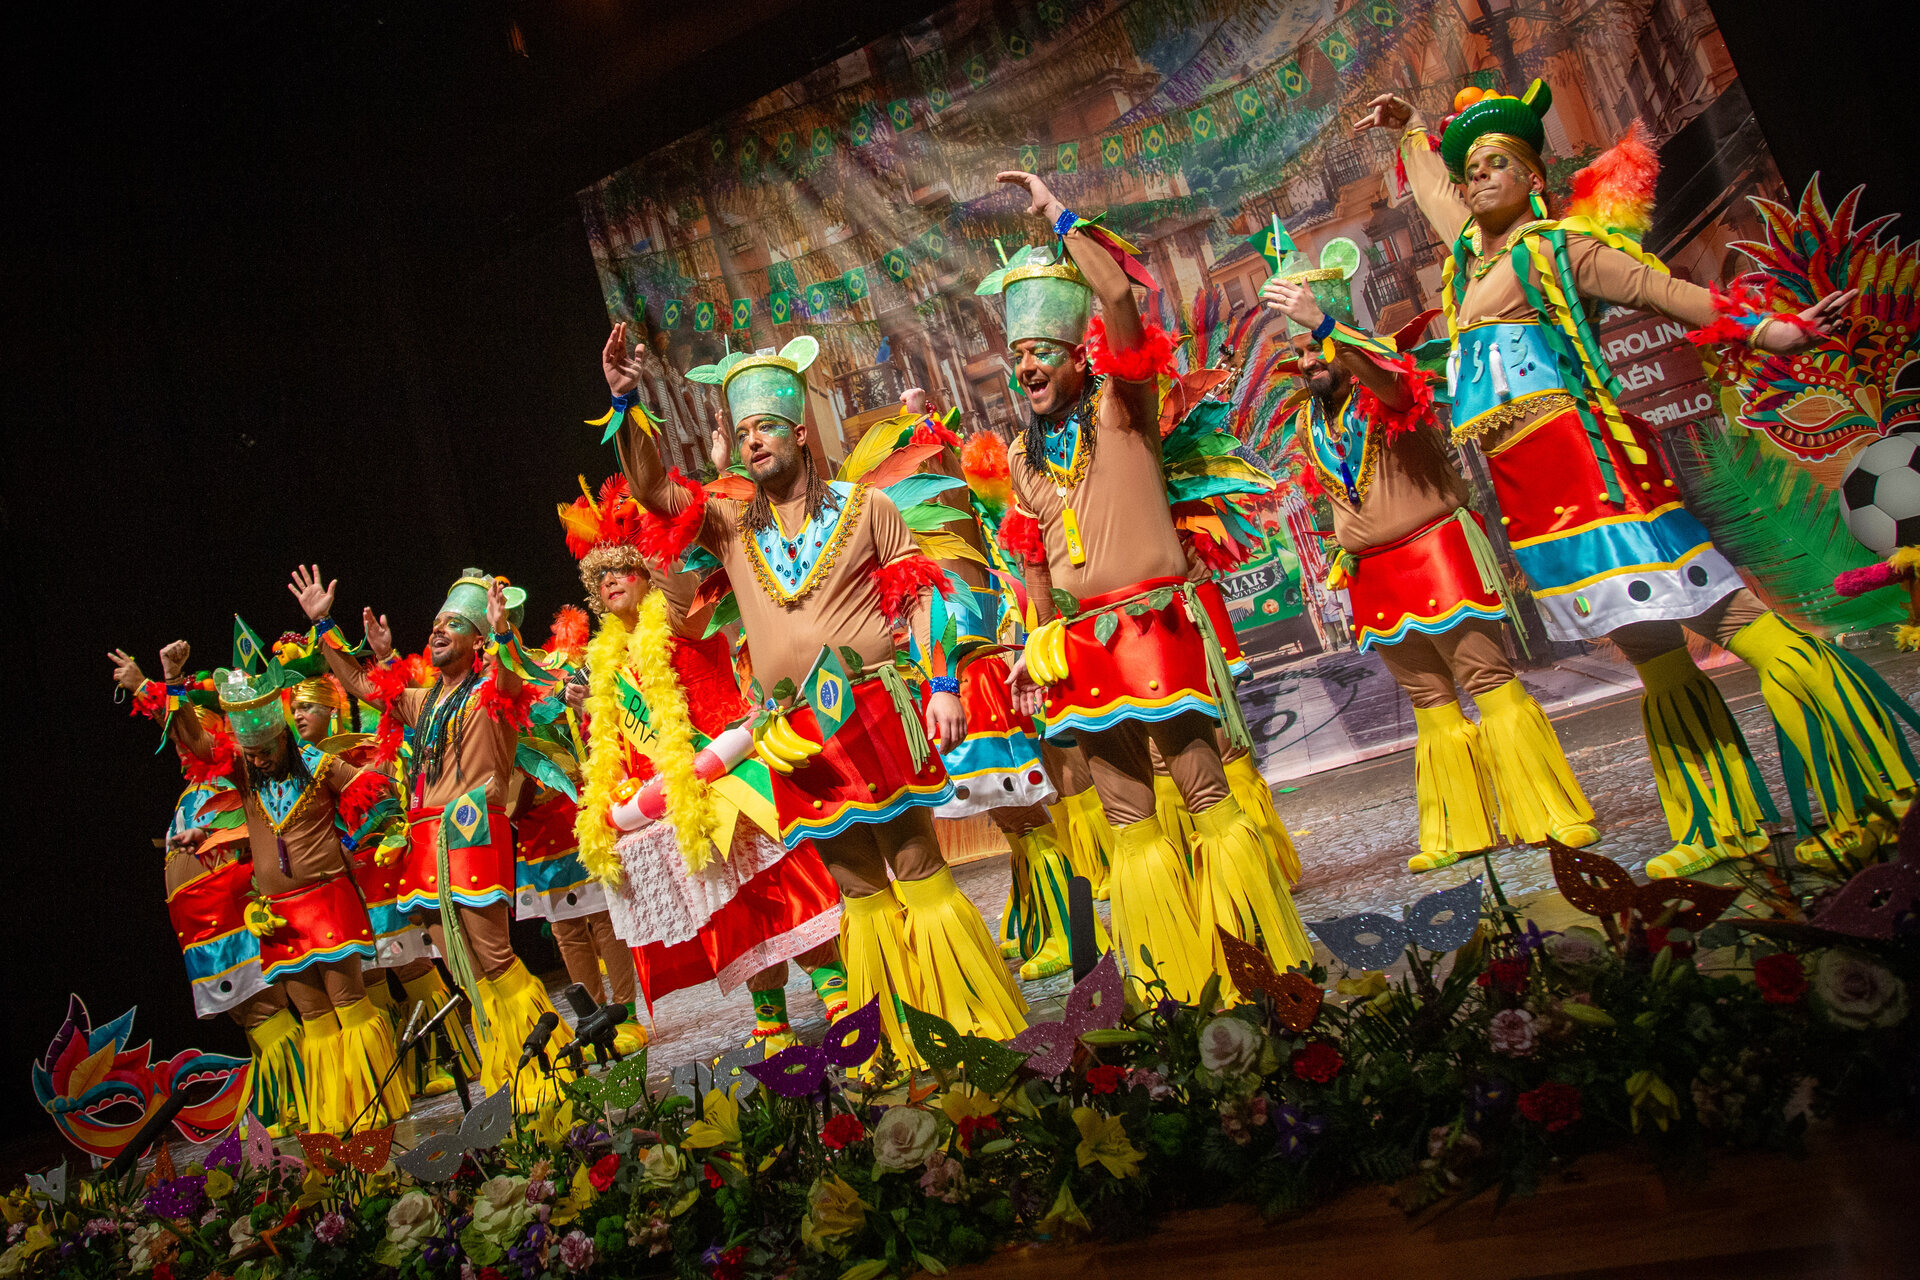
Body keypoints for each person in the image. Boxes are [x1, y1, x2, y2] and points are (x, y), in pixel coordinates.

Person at [1357, 83, 1917, 876]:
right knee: (1651, 652)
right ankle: (1717, 824)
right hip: (1531, 493)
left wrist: (1767, 329)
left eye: (1494, 165)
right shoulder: (1470, 264)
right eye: (1469, 168)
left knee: (1731, 619)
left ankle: (1879, 789)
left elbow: (1660, 289)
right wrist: (1412, 132)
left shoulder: (1557, 250)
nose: (1476, 178)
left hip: (1589, 468)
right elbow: (1436, 198)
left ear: (1532, 178)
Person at [600, 320, 1025, 1063]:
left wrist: (942, 685)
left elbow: (918, 599)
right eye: (743, 432)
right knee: (856, 888)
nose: (753, 442)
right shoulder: (730, 526)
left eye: (766, 427)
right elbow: (653, 490)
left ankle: (971, 1024)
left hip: (872, 709)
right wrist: (626, 403)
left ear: (800, 433)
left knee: (916, 864)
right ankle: (899, 1043)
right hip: (796, 732)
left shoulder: (867, 509)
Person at [985, 170, 1313, 999]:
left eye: (1040, 352)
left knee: (1203, 792)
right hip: (1079, 645)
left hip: (1154, 625)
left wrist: (1058, 217)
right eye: (1016, 356)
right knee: (1128, 818)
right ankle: (1176, 979)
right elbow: (1032, 558)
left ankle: (1260, 964)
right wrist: (1033, 641)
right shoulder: (1022, 456)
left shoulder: (1122, 408)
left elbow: (1119, 299)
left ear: (1078, 355)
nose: (1025, 366)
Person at [1258, 254, 1597, 872]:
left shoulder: (1390, 386)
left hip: (1434, 551)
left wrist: (1327, 323)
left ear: (1344, 337)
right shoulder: (1309, 417)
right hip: (1371, 572)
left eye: (1317, 348)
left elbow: (1392, 386)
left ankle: (1548, 812)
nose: (1308, 363)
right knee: (1427, 699)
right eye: (1299, 353)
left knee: (1486, 678)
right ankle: (1462, 828)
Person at [560, 473, 846, 1054]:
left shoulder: (684, 614)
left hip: (733, 777)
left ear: (649, 572)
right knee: (731, 914)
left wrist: (650, 523)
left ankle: (838, 995)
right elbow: (626, 743)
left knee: (783, 892)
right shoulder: (608, 657)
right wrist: (595, 708)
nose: (611, 580)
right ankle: (771, 1018)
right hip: (675, 802)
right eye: (600, 576)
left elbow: (677, 576)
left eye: (624, 568)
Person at [293, 565, 574, 1105]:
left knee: (492, 955)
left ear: (478, 640)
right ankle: (506, 1070)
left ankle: (548, 1067)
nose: (438, 629)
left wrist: (503, 632)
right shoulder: (424, 701)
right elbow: (360, 685)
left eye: (454, 623)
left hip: (471, 830)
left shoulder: (493, 692)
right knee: (463, 970)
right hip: (425, 840)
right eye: (436, 623)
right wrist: (324, 625)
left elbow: (513, 675)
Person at [136, 643, 411, 1132]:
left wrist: (381, 834)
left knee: (349, 1006)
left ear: (281, 736)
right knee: (315, 1018)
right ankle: (337, 1114)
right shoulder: (245, 774)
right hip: (280, 916)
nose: (259, 760)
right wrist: (172, 681)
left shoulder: (321, 765)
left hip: (328, 902)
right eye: (251, 753)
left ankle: (379, 1107)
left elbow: (375, 794)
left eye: (265, 751)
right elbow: (196, 742)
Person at [113, 644, 307, 1135]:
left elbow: (184, 728)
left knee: (260, 1004)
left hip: (228, 904)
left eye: (191, 732)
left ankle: (304, 1098)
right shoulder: (194, 789)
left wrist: (156, 685)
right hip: (200, 915)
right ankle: (281, 1103)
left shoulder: (231, 777)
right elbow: (177, 729)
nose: (180, 742)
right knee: (245, 1012)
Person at [287, 675, 472, 1097]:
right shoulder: (294, 769)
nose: (298, 716)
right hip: (341, 888)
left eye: (308, 707)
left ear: (331, 710)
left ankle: (446, 1060)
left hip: (380, 875)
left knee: (410, 965)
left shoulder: (367, 752)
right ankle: (396, 1073)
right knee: (367, 978)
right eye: (294, 709)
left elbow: (390, 808)